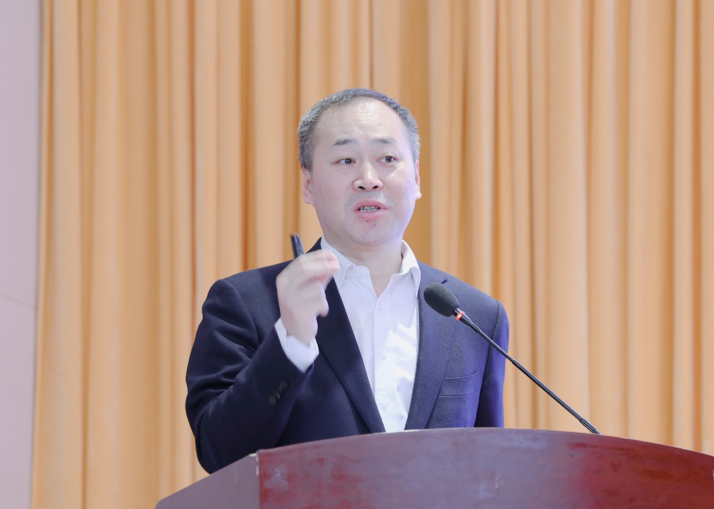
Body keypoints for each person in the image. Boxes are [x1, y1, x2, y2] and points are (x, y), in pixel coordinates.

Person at [185, 88, 508, 473]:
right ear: (308, 184)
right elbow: (219, 452)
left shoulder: (473, 316)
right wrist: (290, 344)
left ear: (417, 178)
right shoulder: (246, 303)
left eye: (387, 159)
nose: (368, 179)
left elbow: (489, 471)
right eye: (346, 160)